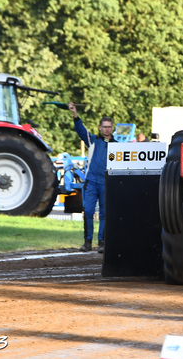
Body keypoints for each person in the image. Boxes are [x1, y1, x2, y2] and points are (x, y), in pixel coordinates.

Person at [68, 102, 117, 253]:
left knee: (104, 214)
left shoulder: (118, 146)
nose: (107, 129)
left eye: (109, 126)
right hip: (91, 182)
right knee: (88, 211)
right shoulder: (92, 140)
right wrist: (75, 114)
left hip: (106, 183)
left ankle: (102, 242)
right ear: (100, 128)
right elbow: (80, 130)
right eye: (105, 126)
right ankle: (87, 242)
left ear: (112, 128)